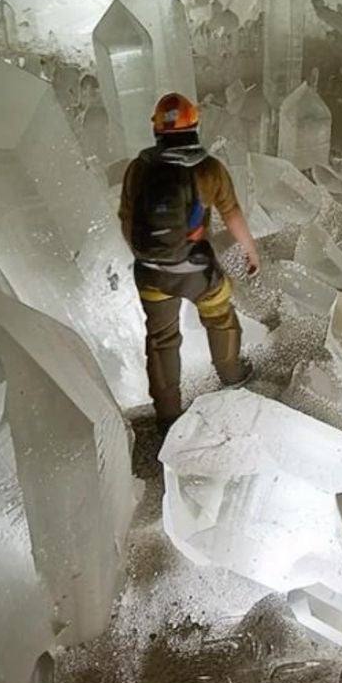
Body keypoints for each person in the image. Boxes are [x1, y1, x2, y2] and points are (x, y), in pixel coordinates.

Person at [119, 92, 260, 430]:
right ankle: (232, 375)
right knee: (220, 316)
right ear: (194, 125)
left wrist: (145, 256)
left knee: (161, 340)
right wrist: (250, 250)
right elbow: (232, 213)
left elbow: (126, 217)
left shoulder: (139, 168)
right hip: (196, 269)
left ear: (156, 130)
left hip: (151, 274)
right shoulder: (208, 169)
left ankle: (168, 414)